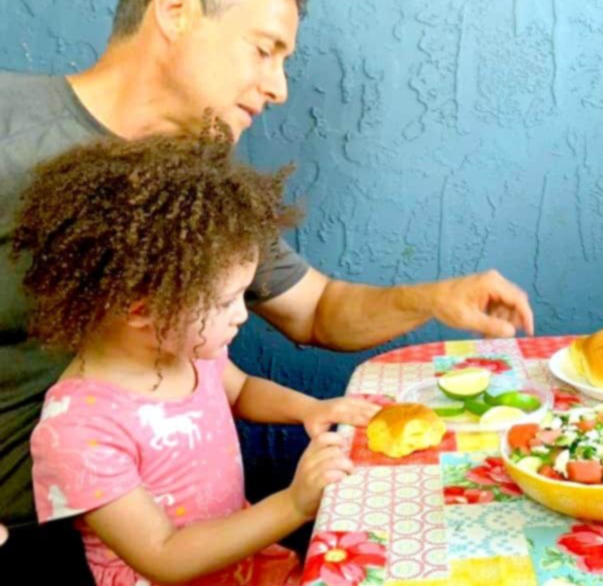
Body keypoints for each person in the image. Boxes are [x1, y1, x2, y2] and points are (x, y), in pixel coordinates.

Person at [0, 0, 534, 580]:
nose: (279, 88)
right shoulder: (9, 122)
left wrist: (434, 299)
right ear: (174, 9)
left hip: (200, 537)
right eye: (264, 49)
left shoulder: (198, 196)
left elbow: (316, 309)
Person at [15, 132, 360, 585]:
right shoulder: (78, 431)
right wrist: (293, 504)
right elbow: (164, 556)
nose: (241, 315)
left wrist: (309, 409)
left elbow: (240, 390)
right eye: (225, 301)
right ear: (141, 310)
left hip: (243, 561)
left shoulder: (187, 350)